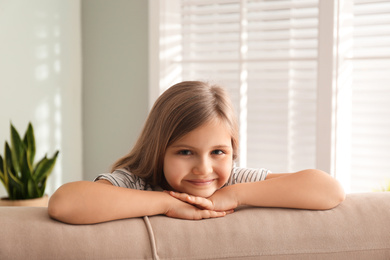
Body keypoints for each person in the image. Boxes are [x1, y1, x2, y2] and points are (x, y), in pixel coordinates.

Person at [48, 81, 345, 224]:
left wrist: (233, 196)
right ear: (159, 150)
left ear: (233, 152)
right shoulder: (137, 181)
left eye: (218, 152)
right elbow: (64, 203)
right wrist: (165, 203)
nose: (204, 169)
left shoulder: (234, 182)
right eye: (186, 152)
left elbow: (329, 190)